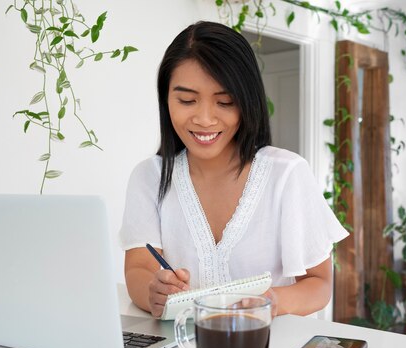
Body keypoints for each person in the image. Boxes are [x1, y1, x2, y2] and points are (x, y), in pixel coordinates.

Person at [119, 21, 348, 319]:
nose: (204, 119)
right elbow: (138, 268)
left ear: (246, 101)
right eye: (187, 100)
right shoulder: (149, 176)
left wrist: (273, 301)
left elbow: (319, 285)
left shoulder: (287, 174)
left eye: (225, 102)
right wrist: (154, 292)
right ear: (166, 99)